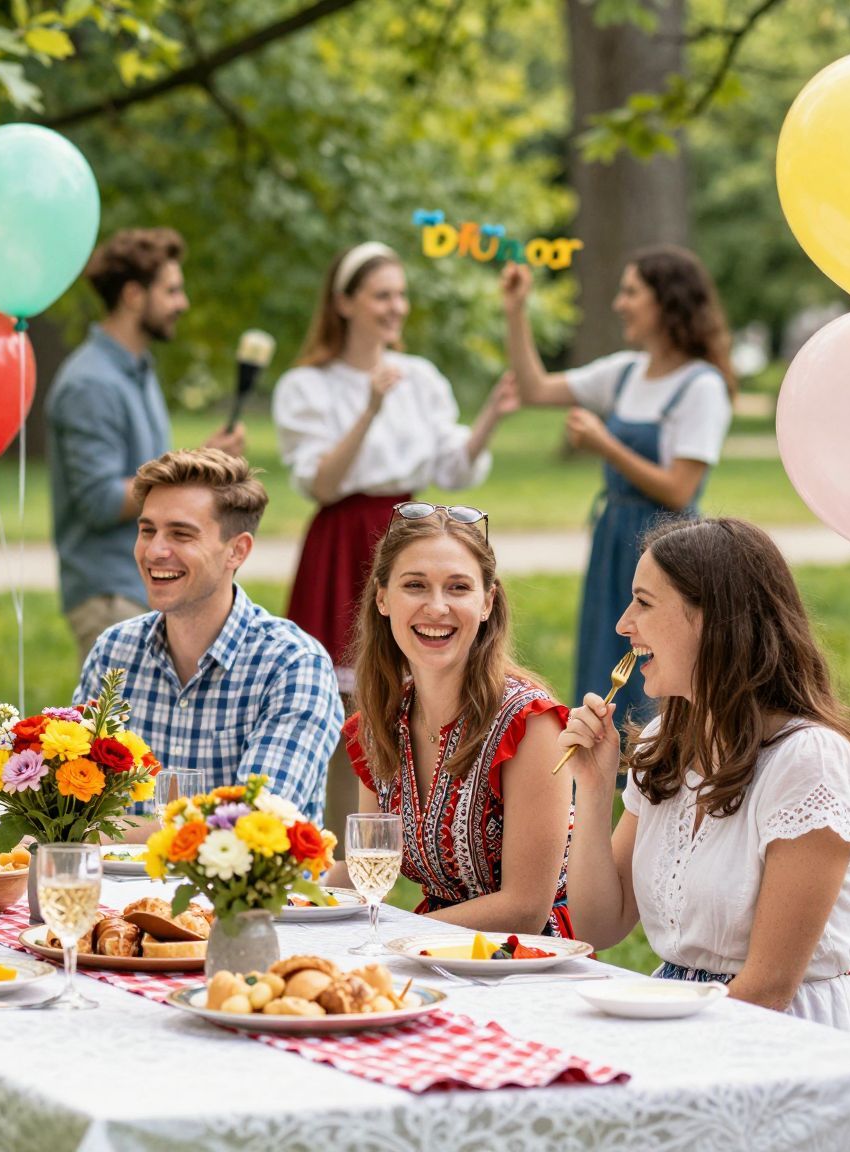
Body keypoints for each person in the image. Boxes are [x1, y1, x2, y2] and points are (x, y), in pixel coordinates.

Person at [558, 518, 850, 1039]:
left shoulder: (809, 762)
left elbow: (768, 988)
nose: (624, 624)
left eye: (644, 603)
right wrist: (595, 790)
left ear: (713, 620)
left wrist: (651, 1036)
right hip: (691, 1016)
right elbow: (602, 925)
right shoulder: (664, 741)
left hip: (793, 1035)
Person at [498, 246, 735, 724]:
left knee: (659, 672)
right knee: (605, 664)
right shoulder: (626, 372)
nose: (619, 303)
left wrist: (605, 445)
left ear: (667, 301)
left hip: (670, 554)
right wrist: (516, 309)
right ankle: (599, 771)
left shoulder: (701, 387)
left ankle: (650, 779)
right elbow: (534, 388)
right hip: (614, 543)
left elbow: (679, 491)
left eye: (631, 292)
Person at [273, 241, 520, 697]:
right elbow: (323, 485)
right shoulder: (307, 385)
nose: (396, 308)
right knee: (342, 692)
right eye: (382, 296)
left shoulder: (418, 377)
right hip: (344, 540)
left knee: (410, 681)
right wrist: (369, 410)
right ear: (344, 302)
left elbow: (453, 470)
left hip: (407, 531)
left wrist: (492, 416)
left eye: (400, 295)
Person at [331, 503, 575, 934]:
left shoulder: (530, 724)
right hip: (427, 947)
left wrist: (392, 938)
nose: (437, 607)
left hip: (530, 959)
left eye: (458, 587)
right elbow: (361, 872)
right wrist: (279, 886)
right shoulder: (380, 724)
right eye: (415, 585)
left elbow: (525, 908)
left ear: (487, 602)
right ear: (382, 598)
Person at [75, 449, 342, 824]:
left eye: (181, 534)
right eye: (147, 530)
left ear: (237, 550)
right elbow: (71, 800)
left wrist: (96, 835)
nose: (154, 551)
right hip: (116, 884)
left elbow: (253, 825)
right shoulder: (113, 652)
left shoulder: (293, 664)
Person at [47, 228, 245, 658]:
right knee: (118, 727)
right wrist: (193, 467)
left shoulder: (138, 369)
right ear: (134, 295)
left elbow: (146, 471)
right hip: (110, 594)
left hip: (145, 583)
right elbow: (100, 500)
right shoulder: (90, 383)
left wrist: (200, 463)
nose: (182, 303)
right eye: (172, 290)